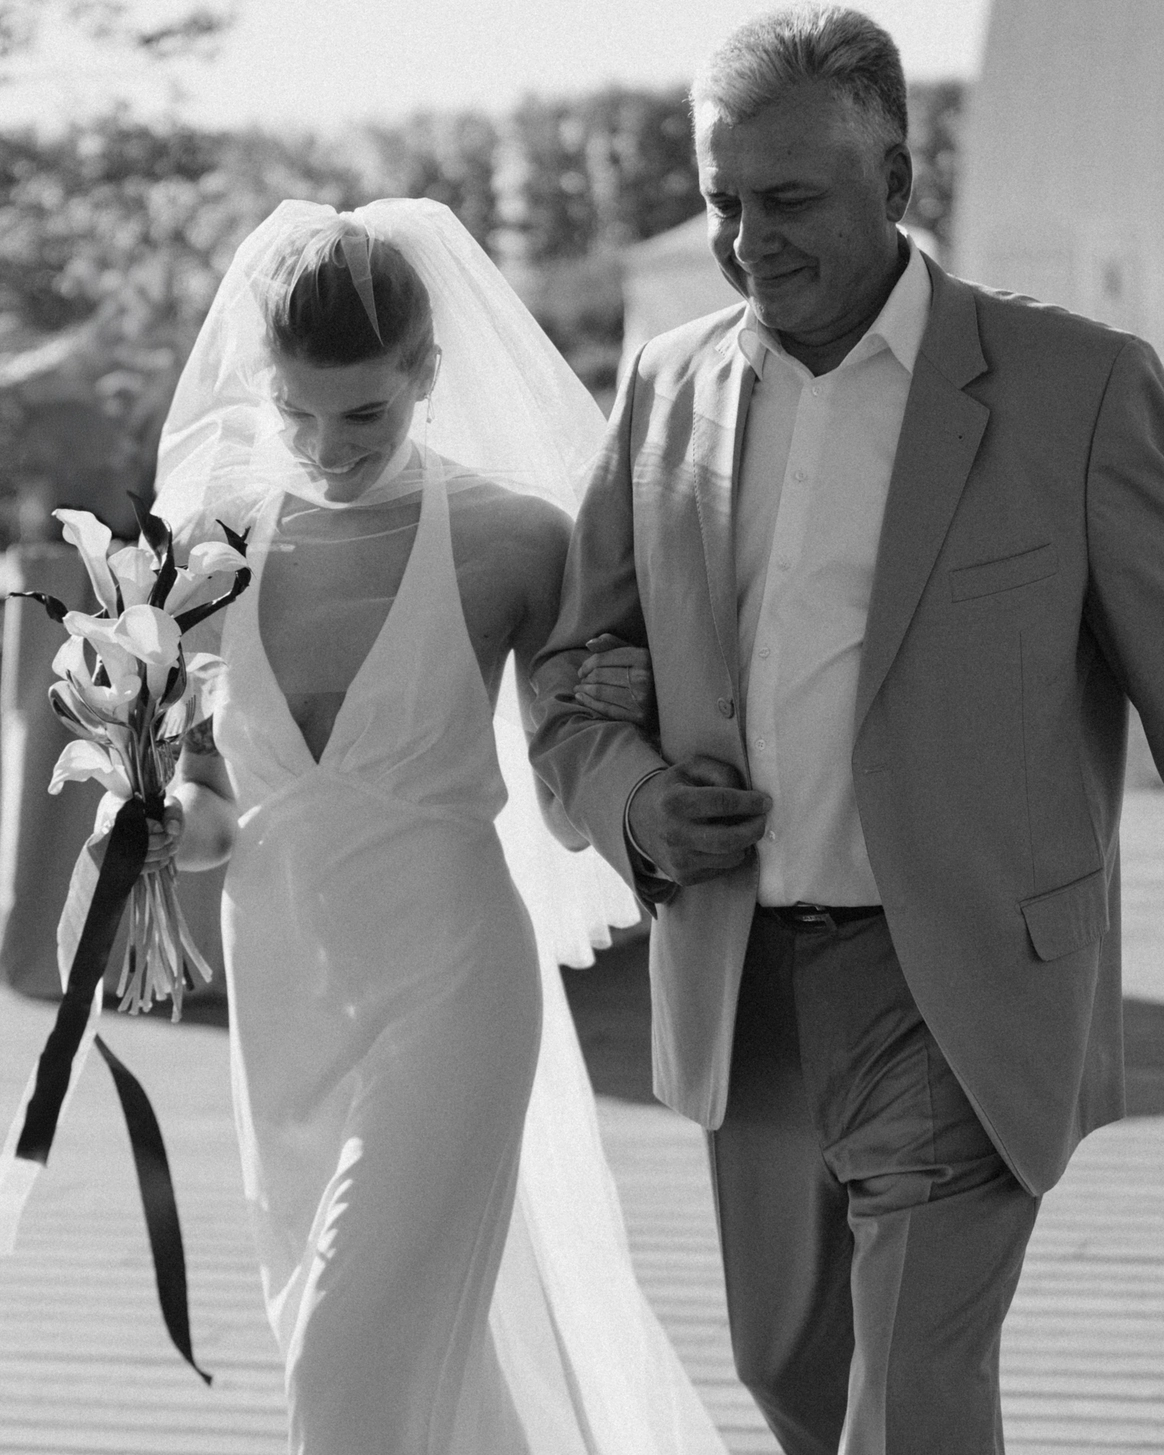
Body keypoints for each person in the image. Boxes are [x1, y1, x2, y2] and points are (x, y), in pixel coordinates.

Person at [529, 7, 1164, 1453]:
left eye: (790, 199)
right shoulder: (664, 386)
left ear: (897, 178)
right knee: (792, 1372)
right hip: (741, 977)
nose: (747, 240)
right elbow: (572, 672)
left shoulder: (1077, 386)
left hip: (964, 982)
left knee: (914, 1396)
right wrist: (635, 803)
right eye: (722, 199)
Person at [151, 199, 728, 1454]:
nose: (329, 447)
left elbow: (569, 805)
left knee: (344, 1368)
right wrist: (153, 827)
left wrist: (630, 710)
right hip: (286, 1001)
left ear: (427, 374)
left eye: (365, 412)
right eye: (297, 411)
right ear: (260, 382)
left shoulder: (511, 541)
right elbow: (212, 814)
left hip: (451, 987)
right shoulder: (206, 554)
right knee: (400, 1363)